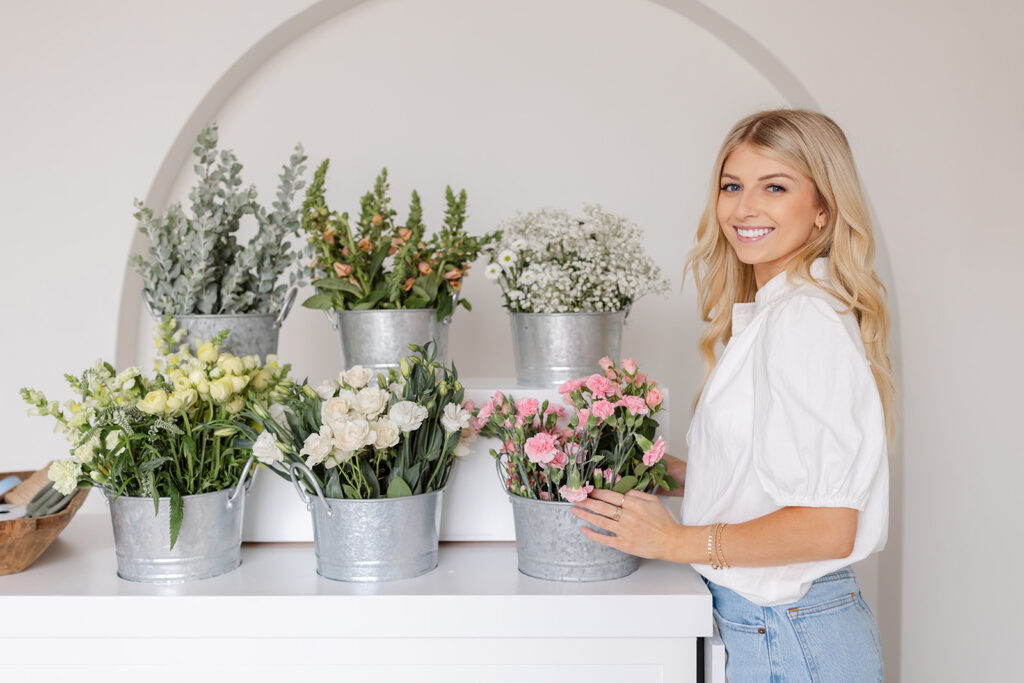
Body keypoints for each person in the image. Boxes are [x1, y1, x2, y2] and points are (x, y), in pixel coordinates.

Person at [572, 109, 893, 682]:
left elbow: (827, 525)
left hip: (793, 636)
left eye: (775, 186)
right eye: (731, 186)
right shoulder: (776, 316)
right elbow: (772, 482)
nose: (744, 208)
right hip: (781, 630)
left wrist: (674, 541)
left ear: (823, 208)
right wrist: (671, 473)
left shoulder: (804, 322)